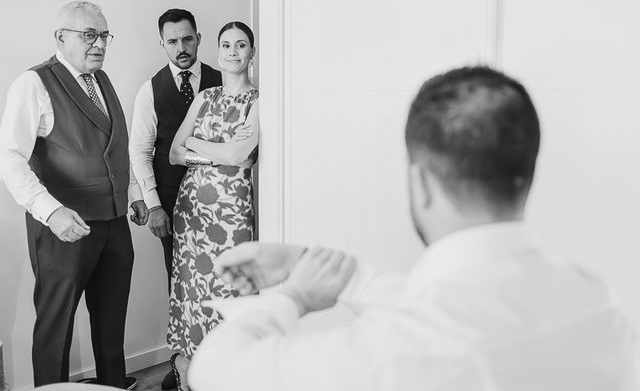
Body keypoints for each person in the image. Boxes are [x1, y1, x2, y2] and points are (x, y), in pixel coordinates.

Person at [189, 66, 639, 391]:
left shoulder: (394, 352)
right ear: (527, 171)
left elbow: (214, 369)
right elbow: (456, 306)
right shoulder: (600, 303)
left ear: (420, 180)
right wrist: (322, 268)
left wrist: (292, 297)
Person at [0, 1, 148, 389]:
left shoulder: (102, 80)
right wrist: (50, 212)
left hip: (115, 225)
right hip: (63, 228)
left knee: (111, 324)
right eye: (88, 35)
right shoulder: (33, 83)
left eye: (103, 35)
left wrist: (132, 192)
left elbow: (118, 146)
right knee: (56, 327)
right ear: (60, 38)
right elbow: (10, 158)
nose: (98, 43)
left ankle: (114, 385)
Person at [129, 9, 222, 390]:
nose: (181, 48)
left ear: (199, 39)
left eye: (187, 39)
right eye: (172, 41)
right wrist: (153, 204)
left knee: (221, 282)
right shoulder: (151, 89)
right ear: (162, 43)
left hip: (221, 205)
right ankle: (182, 364)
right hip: (171, 205)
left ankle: (221, 361)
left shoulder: (222, 80)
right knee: (181, 284)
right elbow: (139, 150)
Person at [167, 21, 259, 387]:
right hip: (190, 212)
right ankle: (189, 368)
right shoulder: (205, 98)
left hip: (232, 212)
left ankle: (229, 373)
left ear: (252, 52)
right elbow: (175, 152)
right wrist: (214, 155)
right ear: (217, 51)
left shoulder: (261, 100)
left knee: (231, 288)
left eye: (241, 45)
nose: (233, 51)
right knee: (191, 290)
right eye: (226, 45)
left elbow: (240, 154)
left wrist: (199, 145)